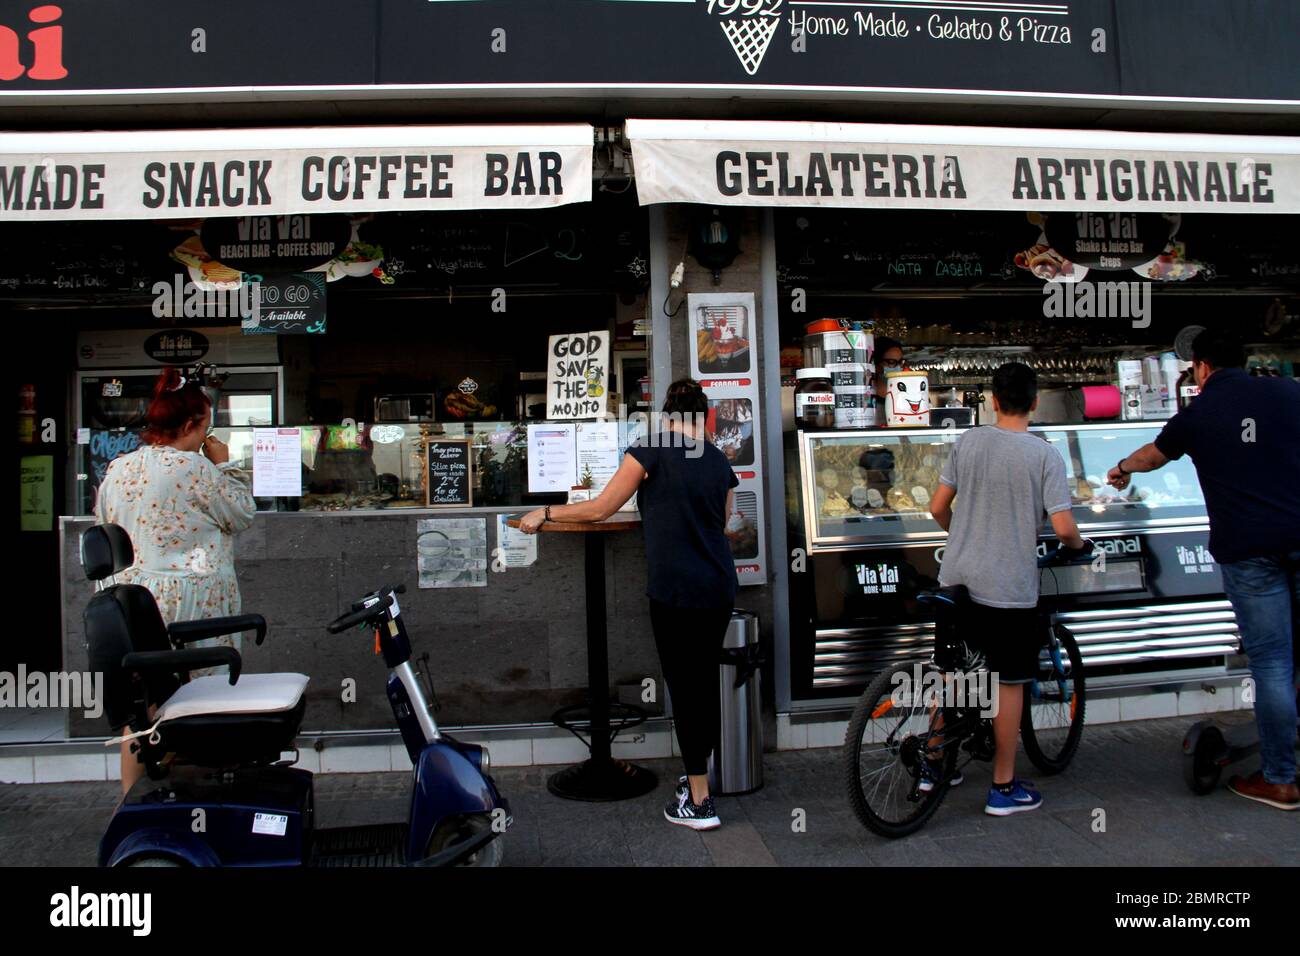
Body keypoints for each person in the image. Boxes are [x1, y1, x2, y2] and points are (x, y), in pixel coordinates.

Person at [518, 379, 738, 830]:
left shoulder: (651, 448)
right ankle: (700, 784)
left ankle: (699, 803)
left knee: (685, 687)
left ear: (667, 416)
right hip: (718, 587)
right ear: (704, 416)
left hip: (677, 590)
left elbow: (601, 508)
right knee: (702, 683)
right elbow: (729, 521)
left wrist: (546, 513)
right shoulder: (719, 462)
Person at [1107, 330, 1300, 811]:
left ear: (1203, 367)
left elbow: (1152, 456)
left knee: (1272, 663)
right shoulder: (1289, 391)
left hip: (1250, 551)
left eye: (1192, 368)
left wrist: (1121, 467)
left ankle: (1280, 779)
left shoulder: (1197, 415)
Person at [928, 362, 1087, 816]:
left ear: (993, 401)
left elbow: (938, 507)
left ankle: (934, 762)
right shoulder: (1044, 455)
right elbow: (1063, 528)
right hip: (1007, 587)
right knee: (1010, 682)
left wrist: (964, 535)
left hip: (956, 578)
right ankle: (1002, 786)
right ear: (1035, 402)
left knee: (956, 674)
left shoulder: (969, 440)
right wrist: (1079, 544)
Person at [95, 366, 257, 794]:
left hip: (132, 603)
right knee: (199, 699)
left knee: (142, 705)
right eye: (205, 427)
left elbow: (107, 527)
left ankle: (131, 798)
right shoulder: (196, 470)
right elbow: (240, 514)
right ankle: (201, 791)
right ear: (190, 426)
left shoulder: (118, 470)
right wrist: (227, 465)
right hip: (192, 602)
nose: (207, 436)